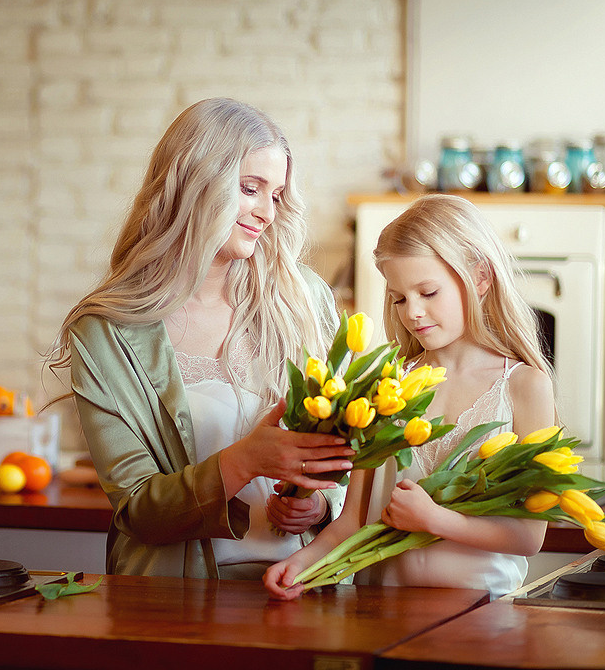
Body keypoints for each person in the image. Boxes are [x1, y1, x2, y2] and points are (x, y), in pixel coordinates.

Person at [48, 97, 356, 580]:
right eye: (250, 188)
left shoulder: (304, 300)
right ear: (195, 183)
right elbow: (137, 509)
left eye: (275, 195)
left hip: (305, 588)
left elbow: (348, 458)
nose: (267, 213)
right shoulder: (109, 330)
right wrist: (244, 460)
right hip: (174, 601)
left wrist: (319, 507)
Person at [264, 193, 557, 599]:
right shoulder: (388, 385)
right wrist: (298, 565)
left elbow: (529, 536)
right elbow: (351, 524)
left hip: (485, 617)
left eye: (428, 292)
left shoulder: (525, 386)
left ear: (480, 279)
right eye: (399, 298)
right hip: (381, 613)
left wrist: (434, 520)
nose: (412, 312)